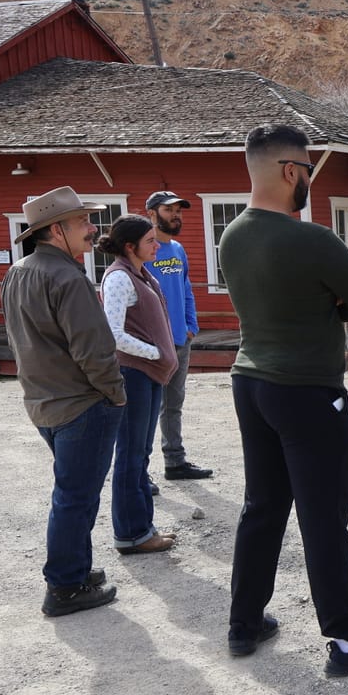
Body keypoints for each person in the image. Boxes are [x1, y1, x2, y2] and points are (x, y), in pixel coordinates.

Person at [219, 123, 348, 675]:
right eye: (307, 170)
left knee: (263, 506)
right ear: (288, 171)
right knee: (324, 518)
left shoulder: (232, 236)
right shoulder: (313, 238)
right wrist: (327, 309)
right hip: (306, 389)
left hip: (249, 382)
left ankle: (245, 621)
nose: (307, 180)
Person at [1, 186, 126, 616]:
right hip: (80, 403)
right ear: (56, 230)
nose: (92, 230)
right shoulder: (68, 276)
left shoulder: (18, 271)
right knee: (76, 496)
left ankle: (74, 568)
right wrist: (116, 395)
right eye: (82, 223)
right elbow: (94, 350)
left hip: (43, 402)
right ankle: (65, 587)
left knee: (73, 493)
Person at [98, 214, 180, 555]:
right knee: (131, 454)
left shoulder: (140, 273)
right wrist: (156, 353)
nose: (156, 245)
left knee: (140, 453)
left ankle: (142, 528)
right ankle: (132, 534)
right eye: (149, 241)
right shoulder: (119, 279)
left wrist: (159, 359)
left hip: (148, 374)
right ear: (130, 246)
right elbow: (114, 336)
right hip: (134, 374)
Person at [145, 190, 213, 487]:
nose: (176, 215)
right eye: (168, 210)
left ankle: (174, 461)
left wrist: (190, 325)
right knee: (146, 408)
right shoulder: (141, 250)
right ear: (151, 214)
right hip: (150, 344)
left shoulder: (178, 249)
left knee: (173, 403)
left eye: (179, 211)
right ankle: (139, 473)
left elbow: (185, 288)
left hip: (179, 339)